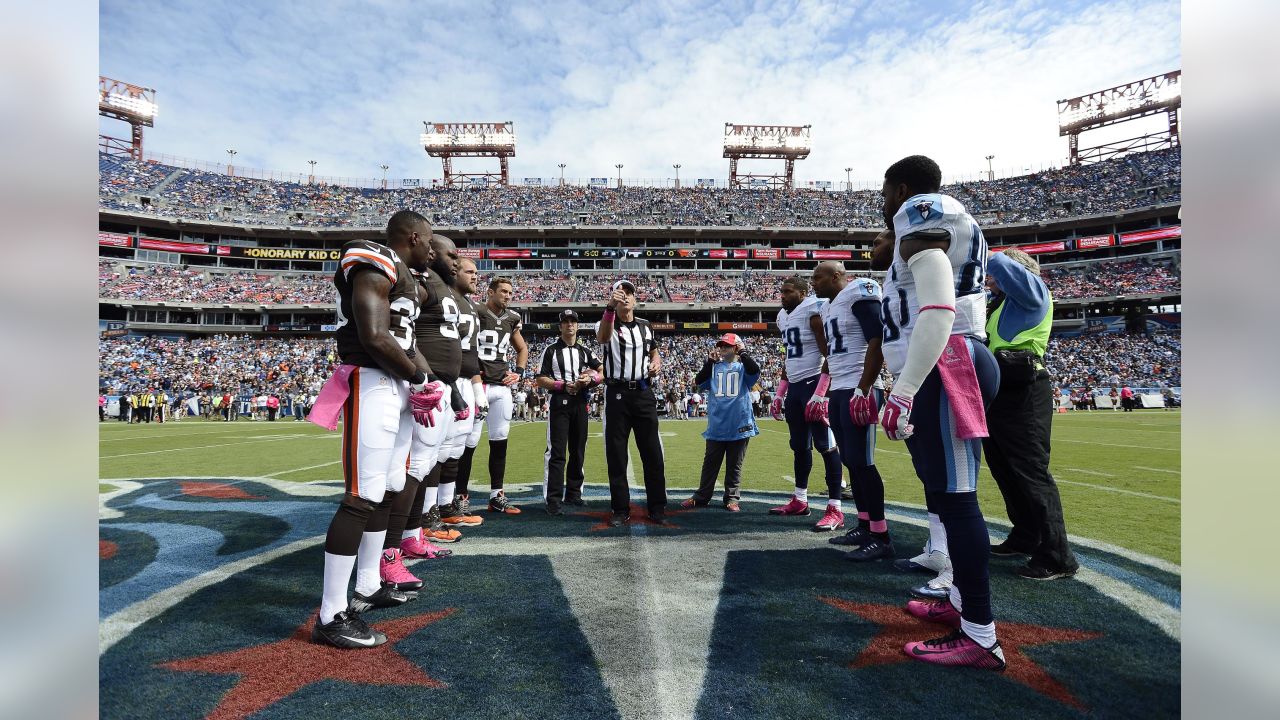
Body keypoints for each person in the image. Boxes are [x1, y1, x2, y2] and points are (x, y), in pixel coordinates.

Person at [874, 155, 1004, 669]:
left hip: (947, 360)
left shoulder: (920, 215)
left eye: (886, 194)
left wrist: (904, 388)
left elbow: (939, 307)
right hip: (948, 360)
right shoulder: (950, 220)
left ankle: (980, 632)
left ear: (902, 189)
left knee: (957, 499)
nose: (884, 206)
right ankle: (960, 604)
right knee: (945, 493)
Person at [310, 209, 442, 650]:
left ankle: (367, 584)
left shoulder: (408, 277)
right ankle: (330, 614)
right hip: (373, 380)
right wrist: (420, 377)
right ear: (413, 235)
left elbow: (406, 342)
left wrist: (433, 384)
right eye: (428, 241)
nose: (431, 250)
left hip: (397, 383)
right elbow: (374, 335)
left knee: (389, 486)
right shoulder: (374, 256)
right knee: (360, 496)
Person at [983, 247, 1079, 580]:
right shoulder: (1002, 302)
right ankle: (1026, 535)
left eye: (999, 273)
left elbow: (996, 261)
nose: (989, 276)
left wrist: (983, 250)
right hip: (1002, 389)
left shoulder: (1033, 290)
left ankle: (1057, 556)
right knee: (1004, 470)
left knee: (1030, 472)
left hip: (1024, 389)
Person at [810, 261, 894, 560]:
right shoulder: (827, 307)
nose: (814, 283)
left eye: (818, 277)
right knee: (851, 461)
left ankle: (881, 536)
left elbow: (877, 337)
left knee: (863, 461)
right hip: (840, 387)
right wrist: (821, 393)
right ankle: (863, 523)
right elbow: (830, 355)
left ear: (837, 276)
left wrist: (865, 386)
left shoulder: (861, 290)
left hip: (861, 385)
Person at [400, 232, 468, 558]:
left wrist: (452, 389)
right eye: (451, 255)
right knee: (414, 468)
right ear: (430, 254)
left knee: (426, 465)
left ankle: (414, 532)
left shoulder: (444, 288)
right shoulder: (419, 283)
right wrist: (425, 379)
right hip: (425, 387)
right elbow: (401, 331)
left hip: (441, 387)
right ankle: (399, 539)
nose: (457, 262)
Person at [767, 276, 845, 532]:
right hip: (797, 386)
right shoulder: (783, 316)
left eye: (788, 292)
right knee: (800, 447)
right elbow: (791, 358)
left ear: (803, 293)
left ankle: (835, 507)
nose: (783, 296)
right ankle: (800, 500)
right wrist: (780, 393)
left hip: (814, 384)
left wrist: (821, 393)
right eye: (781, 291)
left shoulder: (813, 311)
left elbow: (830, 352)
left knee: (826, 446)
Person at [596, 280, 668, 527]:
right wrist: (610, 307)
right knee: (616, 454)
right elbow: (603, 337)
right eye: (620, 292)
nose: (625, 296)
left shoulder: (646, 327)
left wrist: (656, 361)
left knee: (652, 452)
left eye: (629, 293)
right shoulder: (606, 321)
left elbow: (654, 349)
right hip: (617, 393)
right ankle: (619, 507)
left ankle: (657, 505)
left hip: (643, 393)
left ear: (636, 299)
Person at [681, 333, 759, 512]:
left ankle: (732, 498)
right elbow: (698, 381)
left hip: (739, 423)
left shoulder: (742, 367)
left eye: (727, 345)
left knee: (735, 464)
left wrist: (744, 352)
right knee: (710, 463)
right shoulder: (714, 368)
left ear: (735, 347)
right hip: (718, 424)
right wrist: (709, 362)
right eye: (721, 345)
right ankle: (702, 496)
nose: (723, 348)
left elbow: (754, 370)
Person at [437, 256, 487, 528]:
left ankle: (446, 505)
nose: (475, 276)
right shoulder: (448, 300)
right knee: (439, 450)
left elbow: (471, 354)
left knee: (456, 447)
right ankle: (426, 511)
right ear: (454, 273)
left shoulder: (469, 303)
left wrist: (477, 386)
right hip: (449, 381)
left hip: (467, 381)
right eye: (470, 271)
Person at [537, 310, 603, 514]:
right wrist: (563, 385)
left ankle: (574, 494)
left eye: (573, 321)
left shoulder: (585, 351)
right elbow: (540, 378)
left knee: (578, 450)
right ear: (560, 326)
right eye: (565, 322)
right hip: (560, 402)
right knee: (556, 452)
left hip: (580, 403)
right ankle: (553, 499)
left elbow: (602, 370)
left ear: (577, 325)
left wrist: (590, 380)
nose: (569, 325)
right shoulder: (550, 350)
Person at [475, 275, 530, 514]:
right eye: (503, 291)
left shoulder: (512, 317)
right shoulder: (476, 312)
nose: (507, 296)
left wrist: (518, 371)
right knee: (466, 444)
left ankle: (497, 496)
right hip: (477, 385)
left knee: (499, 443)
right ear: (490, 292)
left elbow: (522, 348)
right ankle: (459, 497)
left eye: (510, 292)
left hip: (501, 385)